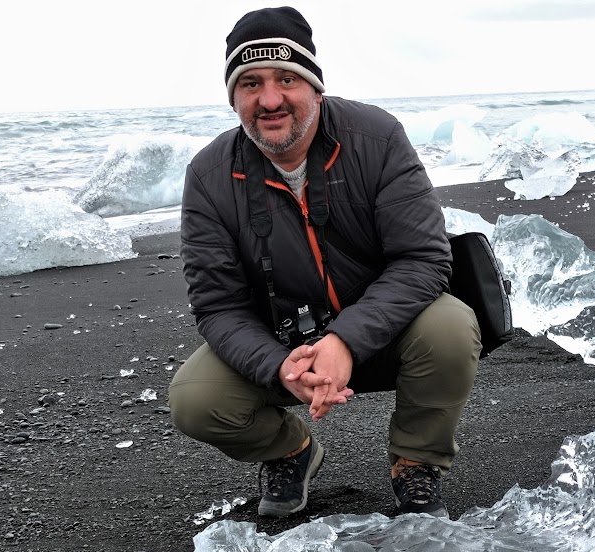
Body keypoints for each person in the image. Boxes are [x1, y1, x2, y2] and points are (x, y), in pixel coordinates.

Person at [168, 6, 481, 519]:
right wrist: (276, 365)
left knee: (449, 327)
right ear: (234, 97)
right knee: (195, 400)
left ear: (314, 86)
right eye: (250, 84)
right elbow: (217, 306)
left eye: (286, 78)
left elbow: (423, 259)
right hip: (285, 346)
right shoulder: (208, 175)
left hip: (387, 331)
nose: (269, 100)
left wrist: (344, 340)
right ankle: (290, 450)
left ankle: (415, 463)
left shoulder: (376, 138)